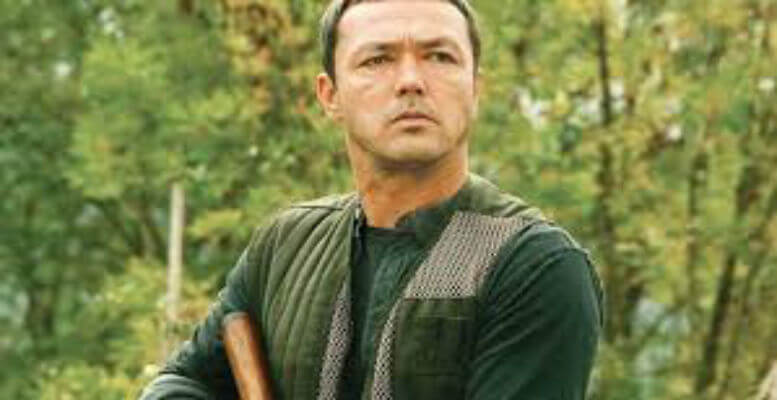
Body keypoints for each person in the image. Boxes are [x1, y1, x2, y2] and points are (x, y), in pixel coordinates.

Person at [139, 0, 604, 399]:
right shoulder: (285, 245)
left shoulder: (535, 265)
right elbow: (182, 382)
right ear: (330, 95)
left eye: (439, 56)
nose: (411, 80)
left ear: (475, 88)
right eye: (377, 60)